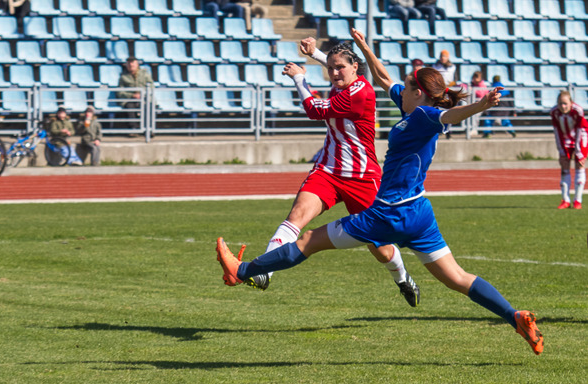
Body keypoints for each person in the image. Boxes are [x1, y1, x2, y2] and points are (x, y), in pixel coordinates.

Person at [216, 27, 544, 357]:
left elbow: (451, 115)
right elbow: (385, 78)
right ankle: (514, 317)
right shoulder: (411, 107)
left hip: (388, 213)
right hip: (419, 213)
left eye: (408, 84)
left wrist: (480, 105)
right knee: (458, 278)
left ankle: (241, 271)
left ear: (418, 93)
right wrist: (364, 47)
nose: (397, 87)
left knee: (307, 241)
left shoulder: (426, 117)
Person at [242, 37, 419, 308]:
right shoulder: (343, 80)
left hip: (362, 177)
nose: (334, 72)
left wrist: (300, 78)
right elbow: (337, 66)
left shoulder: (361, 92)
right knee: (296, 217)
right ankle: (265, 271)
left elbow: (314, 109)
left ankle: (403, 277)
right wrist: (315, 53)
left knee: (379, 247)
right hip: (328, 171)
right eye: (331, 68)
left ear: (356, 68)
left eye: (340, 68)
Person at [550, 91, 587, 210]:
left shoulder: (578, 111)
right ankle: (565, 200)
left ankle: (578, 200)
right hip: (565, 140)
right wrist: (560, 150)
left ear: (571, 103)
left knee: (579, 166)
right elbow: (557, 132)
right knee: (564, 166)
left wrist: (579, 151)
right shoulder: (554, 112)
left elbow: (581, 131)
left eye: (565, 103)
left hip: (580, 139)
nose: (563, 106)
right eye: (560, 104)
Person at [117, 57, 155, 124]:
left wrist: (142, 94)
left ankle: (149, 128)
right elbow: (120, 92)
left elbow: (151, 86)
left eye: (133, 64)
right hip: (129, 99)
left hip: (144, 98)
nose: (131, 65)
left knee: (149, 106)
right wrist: (132, 95)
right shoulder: (123, 77)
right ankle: (133, 129)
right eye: (129, 64)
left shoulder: (145, 74)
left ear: (137, 64)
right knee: (130, 107)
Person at [432, 49, 457, 138]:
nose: (443, 58)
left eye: (445, 56)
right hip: (438, 91)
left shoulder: (452, 67)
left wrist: (451, 84)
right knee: (438, 110)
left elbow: (455, 79)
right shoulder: (435, 66)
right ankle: (437, 130)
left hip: (448, 91)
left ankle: (448, 131)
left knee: (448, 111)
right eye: (442, 56)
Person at [468, 71, 489, 138]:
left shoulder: (482, 85)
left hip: (481, 104)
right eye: (474, 77)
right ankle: (471, 129)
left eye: (477, 77)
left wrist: (473, 90)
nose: (475, 79)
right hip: (474, 104)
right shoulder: (472, 84)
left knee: (475, 117)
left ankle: (474, 129)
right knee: (472, 116)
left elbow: (481, 94)